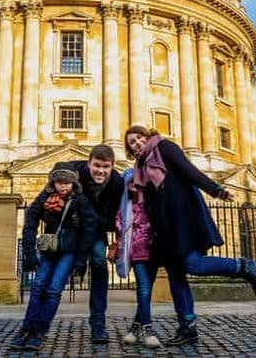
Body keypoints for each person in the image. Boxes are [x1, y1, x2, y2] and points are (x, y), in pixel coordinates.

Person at [124, 125, 256, 346]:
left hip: (183, 218)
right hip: (164, 227)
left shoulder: (164, 147)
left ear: (147, 136)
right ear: (130, 150)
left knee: (192, 264)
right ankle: (187, 327)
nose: (137, 143)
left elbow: (189, 171)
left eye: (139, 138)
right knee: (176, 275)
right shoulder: (139, 167)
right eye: (132, 142)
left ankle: (243, 267)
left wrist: (216, 190)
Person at [11, 162, 98, 351]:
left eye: (68, 182)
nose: (64, 185)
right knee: (37, 288)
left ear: (74, 183)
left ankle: (39, 331)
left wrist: (82, 258)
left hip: (69, 251)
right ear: (53, 182)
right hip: (50, 250)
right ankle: (27, 328)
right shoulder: (45, 197)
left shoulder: (80, 200)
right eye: (60, 181)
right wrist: (29, 252)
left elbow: (90, 227)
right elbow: (30, 220)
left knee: (53, 290)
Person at [66, 144, 124, 343]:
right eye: (96, 165)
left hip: (97, 230)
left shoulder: (117, 183)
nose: (101, 170)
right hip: (73, 229)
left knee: (99, 263)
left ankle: (98, 324)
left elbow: (118, 214)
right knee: (55, 272)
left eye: (106, 166)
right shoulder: (75, 172)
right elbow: (56, 175)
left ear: (112, 167)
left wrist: (117, 240)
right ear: (88, 163)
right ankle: (36, 325)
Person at [111, 168, 160, 348]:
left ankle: (135, 327)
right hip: (137, 252)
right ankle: (148, 328)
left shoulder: (153, 202)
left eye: (138, 183)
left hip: (155, 251)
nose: (135, 186)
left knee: (146, 290)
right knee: (144, 288)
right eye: (131, 183)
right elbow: (118, 225)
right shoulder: (126, 206)